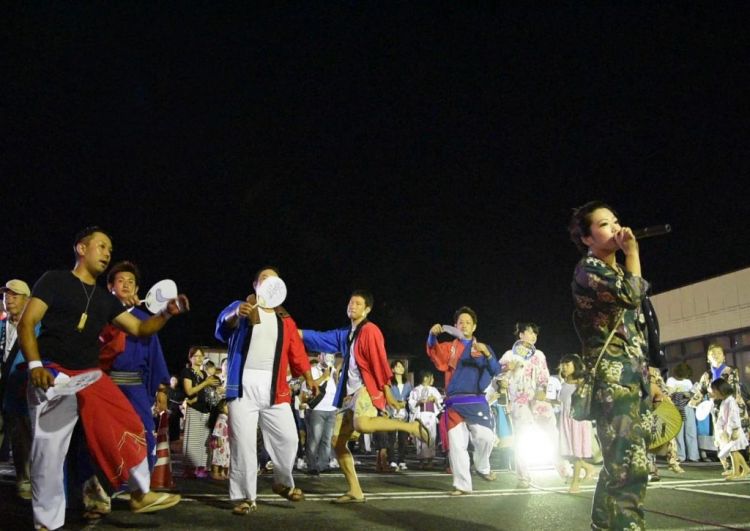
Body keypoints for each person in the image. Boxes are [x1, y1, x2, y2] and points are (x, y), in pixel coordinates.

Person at [18, 227, 187, 531]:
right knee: (50, 451)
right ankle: (47, 523)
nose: (107, 253)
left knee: (129, 422)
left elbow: (139, 330)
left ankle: (139, 493)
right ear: (81, 249)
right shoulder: (54, 280)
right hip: (53, 372)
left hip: (89, 375)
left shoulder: (105, 301)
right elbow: (27, 323)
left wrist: (165, 315)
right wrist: (34, 366)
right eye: (101, 246)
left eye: (110, 248)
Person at [300, 289, 429, 503]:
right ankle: (355, 490)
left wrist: (386, 390)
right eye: (351, 302)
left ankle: (410, 427)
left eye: (358, 304)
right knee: (337, 441)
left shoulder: (370, 330)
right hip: (348, 394)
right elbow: (321, 338)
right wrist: (295, 332)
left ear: (367, 309)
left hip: (365, 388)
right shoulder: (347, 333)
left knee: (362, 424)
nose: (353, 306)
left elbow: (379, 359)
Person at [569, 201, 653, 530]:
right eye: (604, 225)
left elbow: (637, 329)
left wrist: (652, 378)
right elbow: (632, 295)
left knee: (617, 464)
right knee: (629, 467)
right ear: (587, 238)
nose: (616, 228)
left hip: (632, 376)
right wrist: (632, 252)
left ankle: (602, 525)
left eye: (616, 221)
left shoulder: (614, 270)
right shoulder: (588, 271)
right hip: (613, 381)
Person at [215, 266, 318, 515]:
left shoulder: (286, 320)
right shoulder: (242, 307)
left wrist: (308, 377)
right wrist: (233, 314)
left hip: (276, 389)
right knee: (244, 445)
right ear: (255, 285)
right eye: (263, 278)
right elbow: (221, 329)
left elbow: (297, 352)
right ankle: (244, 497)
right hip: (242, 387)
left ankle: (282, 481)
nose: (269, 281)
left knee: (290, 438)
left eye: (273, 278)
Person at [98, 261, 171, 471]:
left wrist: (161, 389)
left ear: (138, 289)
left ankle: (139, 488)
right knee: (103, 434)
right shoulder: (99, 316)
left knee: (143, 432)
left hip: (135, 387)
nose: (126, 285)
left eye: (131, 282)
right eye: (120, 281)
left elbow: (154, 355)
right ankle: (105, 484)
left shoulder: (146, 320)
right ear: (110, 287)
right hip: (104, 385)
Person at [427, 306, 501, 495]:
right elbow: (433, 351)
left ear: (474, 327)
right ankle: (462, 485)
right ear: (455, 326)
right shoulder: (449, 348)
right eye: (461, 322)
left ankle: (482, 466)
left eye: (468, 322)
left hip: (476, 400)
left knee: (486, 437)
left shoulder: (482, 347)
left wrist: (488, 354)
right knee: (457, 446)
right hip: (454, 403)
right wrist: (432, 335)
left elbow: (495, 369)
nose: (464, 325)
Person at [498, 322, 559, 487]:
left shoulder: (539, 354)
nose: (533, 336)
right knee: (522, 437)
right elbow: (498, 375)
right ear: (521, 335)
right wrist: (504, 374)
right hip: (519, 401)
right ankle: (523, 475)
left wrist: (543, 390)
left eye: (535, 334)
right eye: (530, 332)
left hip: (538, 399)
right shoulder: (509, 355)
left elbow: (544, 376)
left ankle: (561, 465)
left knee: (551, 430)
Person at [689, 343, 749, 471]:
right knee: (721, 438)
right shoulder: (706, 376)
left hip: (734, 409)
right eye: (712, 354)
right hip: (717, 411)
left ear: (724, 356)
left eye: (718, 353)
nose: (715, 356)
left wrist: (713, 396)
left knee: (737, 437)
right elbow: (700, 391)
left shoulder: (731, 371)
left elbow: (731, 390)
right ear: (708, 358)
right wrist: (694, 404)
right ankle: (729, 467)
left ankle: (742, 467)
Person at [0, 279, 35, 500]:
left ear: (27, 300)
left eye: (15, 295)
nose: (9, 299)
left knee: (22, 435)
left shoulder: (36, 326)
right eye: (6, 295)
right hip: (3, 387)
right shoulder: (2, 326)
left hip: (21, 388)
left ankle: (25, 478)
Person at [558, 354, 596, 493]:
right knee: (570, 452)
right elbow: (562, 401)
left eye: (567, 364)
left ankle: (575, 484)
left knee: (576, 453)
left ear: (576, 366)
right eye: (563, 365)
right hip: (566, 420)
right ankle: (587, 467)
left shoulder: (582, 383)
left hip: (578, 421)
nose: (564, 367)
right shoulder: (564, 383)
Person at [181, 347, 219, 478]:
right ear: (190, 358)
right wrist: (206, 382)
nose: (199, 358)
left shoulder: (203, 374)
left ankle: (201, 467)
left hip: (206, 409)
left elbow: (205, 391)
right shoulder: (187, 372)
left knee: (204, 440)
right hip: (194, 409)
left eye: (201, 356)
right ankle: (189, 468)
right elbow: (189, 391)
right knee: (192, 440)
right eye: (196, 356)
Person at [301, 352, 338, 475]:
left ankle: (323, 464)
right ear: (319, 357)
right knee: (314, 438)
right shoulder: (313, 370)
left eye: (331, 356)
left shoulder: (332, 371)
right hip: (317, 409)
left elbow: (335, 388)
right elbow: (309, 385)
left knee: (327, 439)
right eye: (326, 356)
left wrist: (334, 376)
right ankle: (312, 465)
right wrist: (324, 376)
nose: (329, 359)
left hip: (331, 409)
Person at [711, 378, 749, 480]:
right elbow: (722, 418)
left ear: (721, 390)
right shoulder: (725, 401)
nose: (713, 393)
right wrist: (721, 431)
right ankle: (745, 469)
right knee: (733, 451)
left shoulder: (730, 401)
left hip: (733, 431)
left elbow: (734, 416)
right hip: (729, 431)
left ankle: (736, 472)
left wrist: (735, 430)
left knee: (733, 451)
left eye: (714, 390)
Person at [409, 370, 443, 469]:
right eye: (431, 378)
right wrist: (419, 402)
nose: (433, 380)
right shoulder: (416, 390)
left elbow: (440, 403)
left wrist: (435, 400)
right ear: (425, 378)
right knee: (420, 438)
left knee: (431, 437)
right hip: (421, 415)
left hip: (431, 416)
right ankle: (421, 460)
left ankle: (430, 460)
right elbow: (411, 404)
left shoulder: (434, 390)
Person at [387, 360, 413, 470]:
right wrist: (395, 404)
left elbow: (411, 398)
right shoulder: (389, 383)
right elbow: (387, 397)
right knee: (391, 439)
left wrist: (406, 403)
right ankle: (392, 460)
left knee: (403, 439)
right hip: (392, 413)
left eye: (402, 366)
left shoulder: (408, 384)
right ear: (392, 369)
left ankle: (401, 460)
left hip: (404, 415)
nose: (401, 368)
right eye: (398, 366)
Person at [208, 399, 230, 480]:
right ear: (221, 408)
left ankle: (222, 472)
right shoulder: (221, 417)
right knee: (217, 457)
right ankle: (215, 473)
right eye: (227, 406)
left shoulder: (226, 418)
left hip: (226, 441)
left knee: (223, 457)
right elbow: (217, 429)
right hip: (220, 441)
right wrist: (218, 438)